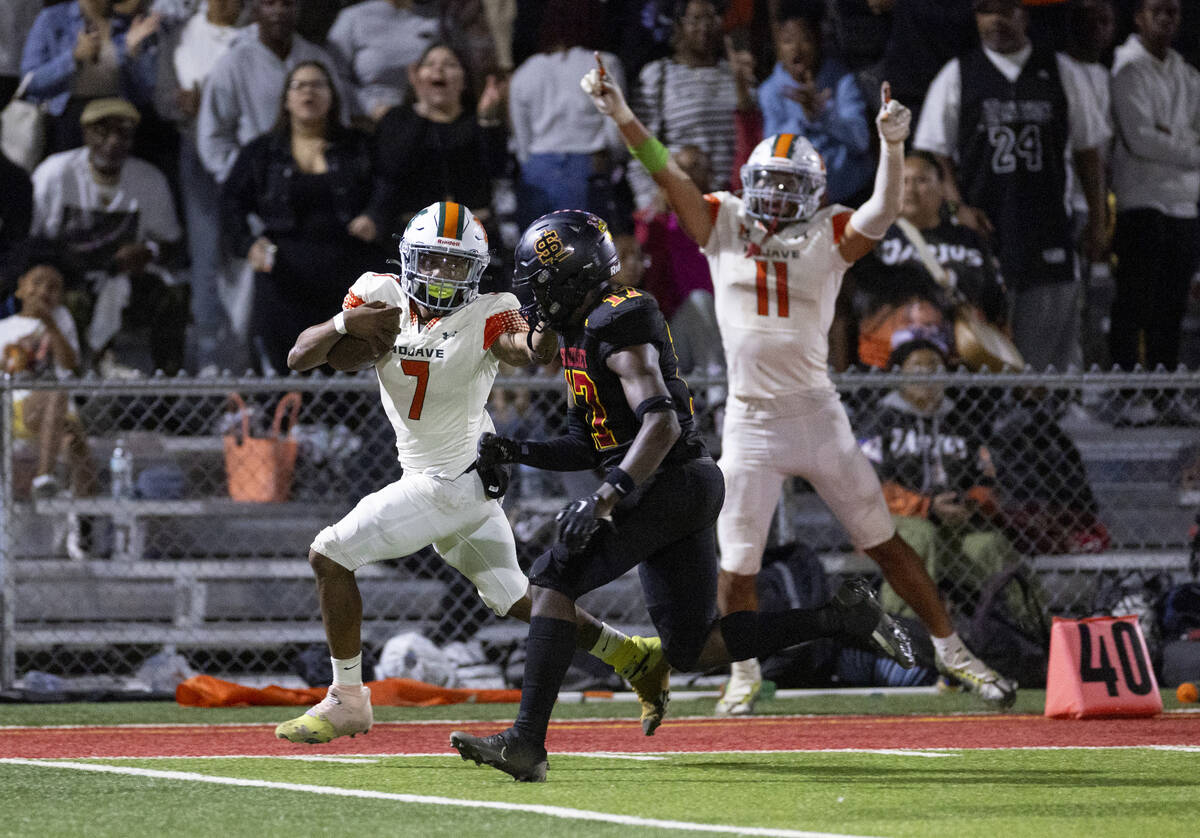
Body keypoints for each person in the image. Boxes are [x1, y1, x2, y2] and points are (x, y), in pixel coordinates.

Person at [582, 55, 1016, 713]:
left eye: (789, 186)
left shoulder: (830, 229)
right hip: (751, 421)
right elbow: (664, 171)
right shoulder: (723, 218)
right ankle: (746, 673)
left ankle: (954, 653)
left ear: (812, 190)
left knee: (886, 546)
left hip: (817, 416)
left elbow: (883, 207)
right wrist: (620, 113)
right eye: (768, 184)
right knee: (738, 565)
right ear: (748, 184)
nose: (777, 198)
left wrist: (893, 146)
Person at [448, 208, 914, 782]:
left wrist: (608, 497)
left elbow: (661, 422)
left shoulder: (618, 318)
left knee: (550, 583)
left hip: (670, 481)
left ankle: (525, 744)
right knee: (693, 648)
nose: (532, 299)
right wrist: (516, 451)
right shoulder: (582, 328)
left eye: (539, 286)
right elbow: (588, 440)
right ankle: (841, 618)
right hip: (674, 485)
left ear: (568, 281)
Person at [275, 200, 672, 745]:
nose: (440, 276)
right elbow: (300, 357)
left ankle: (348, 699)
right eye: (432, 262)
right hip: (449, 480)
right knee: (515, 599)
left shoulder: (490, 309)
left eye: (455, 265)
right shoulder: (380, 292)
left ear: (476, 271)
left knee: (329, 553)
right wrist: (346, 321)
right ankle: (632, 653)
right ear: (409, 259)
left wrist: (549, 319)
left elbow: (527, 351)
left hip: (454, 479)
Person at [912, 0, 1109, 372]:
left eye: (1005, 10)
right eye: (986, 12)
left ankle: (1046, 417)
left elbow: (1088, 152)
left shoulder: (1062, 72)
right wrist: (958, 208)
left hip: (1048, 225)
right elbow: (934, 155)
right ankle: (989, 418)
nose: (995, 21)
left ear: (1025, 14)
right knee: (984, 339)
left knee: (1049, 343)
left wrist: (1098, 219)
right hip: (982, 230)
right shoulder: (958, 74)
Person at [219, 61, 381, 375]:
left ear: (332, 97)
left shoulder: (358, 146)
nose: (309, 91)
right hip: (284, 268)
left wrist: (373, 216)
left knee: (345, 352)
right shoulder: (263, 151)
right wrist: (248, 244)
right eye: (300, 85)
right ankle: (287, 419)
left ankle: (342, 422)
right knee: (286, 354)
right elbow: (230, 202)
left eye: (318, 85)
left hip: (347, 266)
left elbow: (386, 189)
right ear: (286, 99)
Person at [857, 331, 1024, 622]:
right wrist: (926, 507)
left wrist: (971, 504)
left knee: (990, 546)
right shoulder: (881, 420)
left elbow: (987, 478)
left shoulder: (961, 421)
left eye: (934, 366)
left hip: (953, 528)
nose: (927, 374)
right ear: (899, 374)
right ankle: (905, 640)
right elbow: (867, 487)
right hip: (892, 523)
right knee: (920, 537)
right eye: (917, 367)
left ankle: (1036, 633)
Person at [30, 97, 186, 375]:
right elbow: (32, 242)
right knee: (71, 303)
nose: (113, 141)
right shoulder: (54, 174)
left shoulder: (149, 180)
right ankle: (74, 393)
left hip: (123, 279)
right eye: (103, 131)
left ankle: (166, 397)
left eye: (123, 133)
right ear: (85, 133)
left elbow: (172, 245)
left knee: (172, 298)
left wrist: (148, 251)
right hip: (67, 279)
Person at [1108, 0, 1200, 423]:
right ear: (1139, 18)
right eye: (1157, 11)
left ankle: (1164, 394)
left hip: (1184, 204)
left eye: (1173, 12)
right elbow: (1140, 140)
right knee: (1135, 302)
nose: (1166, 19)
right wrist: (1187, 149)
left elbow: (1160, 142)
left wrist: (1170, 142)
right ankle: (1126, 393)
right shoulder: (1126, 70)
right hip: (1140, 202)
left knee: (1172, 305)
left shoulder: (1188, 74)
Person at [849, 150, 1008, 370]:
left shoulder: (969, 238)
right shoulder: (872, 239)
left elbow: (995, 301)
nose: (911, 190)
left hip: (960, 364)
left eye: (921, 180)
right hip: (884, 365)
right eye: (902, 181)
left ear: (943, 187)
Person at [153, 0, 243, 373]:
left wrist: (216, 101)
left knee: (244, 257)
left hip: (245, 155)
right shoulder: (180, 35)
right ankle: (208, 358)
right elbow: (162, 100)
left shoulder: (251, 38)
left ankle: (244, 356)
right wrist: (180, 103)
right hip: (196, 152)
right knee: (205, 255)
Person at [370, 42, 507, 242]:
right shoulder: (397, 118)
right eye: (430, 64)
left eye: (450, 64)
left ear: (464, 80)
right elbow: (393, 167)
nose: (439, 69)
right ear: (416, 77)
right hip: (413, 234)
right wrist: (423, 109)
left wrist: (487, 119)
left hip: (469, 235)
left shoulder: (476, 122)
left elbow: (496, 168)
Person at [196, 0, 344, 184]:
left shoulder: (318, 60)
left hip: (316, 183)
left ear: (297, 10)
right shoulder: (232, 65)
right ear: (255, 11)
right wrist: (246, 176)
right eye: (269, 3)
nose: (278, 11)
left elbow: (339, 122)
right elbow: (213, 138)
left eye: (286, 4)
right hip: (258, 189)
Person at [506, 3, 626, 228]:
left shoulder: (525, 72)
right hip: (588, 170)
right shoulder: (604, 64)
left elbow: (522, 142)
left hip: (536, 171)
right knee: (586, 254)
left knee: (538, 254)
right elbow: (615, 133)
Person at [625, 0, 745, 209]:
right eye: (695, 19)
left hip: (729, 205)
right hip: (678, 205)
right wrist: (649, 203)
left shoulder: (735, 75)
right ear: (679, 26)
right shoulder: (658, 76)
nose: (704, 27)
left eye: (711, 18)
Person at [755, 0, 873, 206]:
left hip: (850, 196)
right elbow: (773, 152)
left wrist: (823, 115)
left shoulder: (842, 80)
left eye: (805, 40)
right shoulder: (770, 91)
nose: (797, 49)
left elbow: (861, 141)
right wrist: (805, 119)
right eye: (788, 41)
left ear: (818, 41)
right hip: (796, 202)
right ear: (778, 46)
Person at [1, 261, 97, 512]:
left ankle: (82, 523)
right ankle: (44, 475)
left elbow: (70, 363)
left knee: (77, 447)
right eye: (37, 283)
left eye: (53, 287)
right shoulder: (5, 328)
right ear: (21, 287)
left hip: (62, 415)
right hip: (23, 409)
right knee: (56, 392)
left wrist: (50, 325)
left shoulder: (61, 320)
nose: (44, 291)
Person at [20, 0, 161, 155]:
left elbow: (144, 95)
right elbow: (30, 84)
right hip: (68, 118)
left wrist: (132, 53)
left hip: (117, 117)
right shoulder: (52, 19)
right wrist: (74, 58)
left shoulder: (128, 25)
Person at [324, 0, 443, 123]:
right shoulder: (352, 18)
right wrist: (371, 107)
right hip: (366, 122)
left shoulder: (438, 21)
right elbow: (332, 76)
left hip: (426, 119)